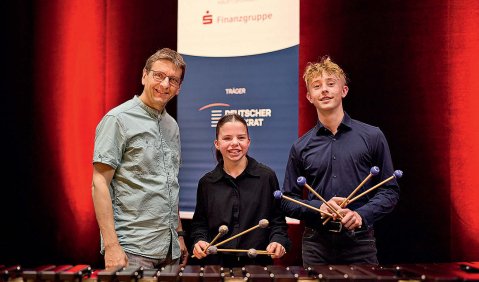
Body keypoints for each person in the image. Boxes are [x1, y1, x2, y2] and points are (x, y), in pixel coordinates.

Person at [281, 55, 400, 265]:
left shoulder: (372, 136)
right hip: (316, 244)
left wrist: (361, 215)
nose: (324, 90)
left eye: (330, 84)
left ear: (343, 91)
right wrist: (319, 207)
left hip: (359, 243)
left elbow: (389, 191)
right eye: (317, 86)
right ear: (309, 96)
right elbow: (289, 200)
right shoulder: (301, 146)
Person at [92, 48, 188, 269]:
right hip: (132, 250)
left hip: (170, 249)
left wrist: (179, 235)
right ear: (144, 75)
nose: (165, 84)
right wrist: (111, 246)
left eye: (173, 80)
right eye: (159, 75)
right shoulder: (117, 119)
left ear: (179, 88)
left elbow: (169, 184)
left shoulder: (172, 126)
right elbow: (99, 184)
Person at [190, 113, 291, 267]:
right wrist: (199, 241)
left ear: (248, 142)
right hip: (217, 266)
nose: (235, 143)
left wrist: (278, 241)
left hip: (257, 265)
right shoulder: (207, 183)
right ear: (217, 143)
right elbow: (200, 225)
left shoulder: (266, 177)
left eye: (241, 137)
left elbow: (277, 222)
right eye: (227, 138)